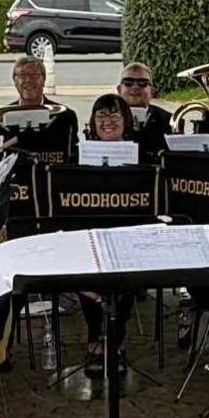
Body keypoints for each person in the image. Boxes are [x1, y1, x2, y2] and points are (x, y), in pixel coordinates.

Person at [79, 94, 139, 377]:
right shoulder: (78, 157)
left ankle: (115, 338)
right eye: (101, 115)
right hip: (89, 233)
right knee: (87, 262)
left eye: (115, 116)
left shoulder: (142, 158)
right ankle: (95, 336)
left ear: (126, 122)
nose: (107, 121)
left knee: (123, 264)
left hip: (127, 236)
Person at [117, 62, 173, 159]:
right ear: (119, 90)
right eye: (128, 82)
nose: (135, 87)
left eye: (142, 83)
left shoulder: (169, 120)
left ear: (152, 91)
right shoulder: (105, 118)